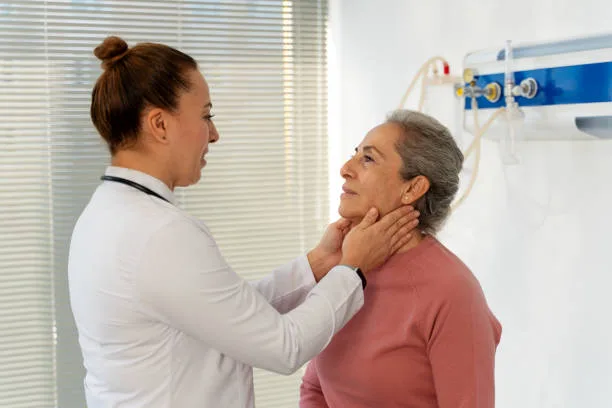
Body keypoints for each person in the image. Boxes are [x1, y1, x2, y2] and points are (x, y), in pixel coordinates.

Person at [67, 36, 420, 408]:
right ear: (159, 124)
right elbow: (284, 346)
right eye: (205, 116)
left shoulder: (104, 215)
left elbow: (223, 312)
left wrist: (317, 265)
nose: (214, 134)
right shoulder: (160, 234)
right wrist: (353, 268)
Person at [299, 110, 502, 408]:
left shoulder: (453, 293)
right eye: (355, 154)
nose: (345, 168)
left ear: (413, 188)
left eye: (367, 159)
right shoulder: (343, 269)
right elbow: (314, 388)